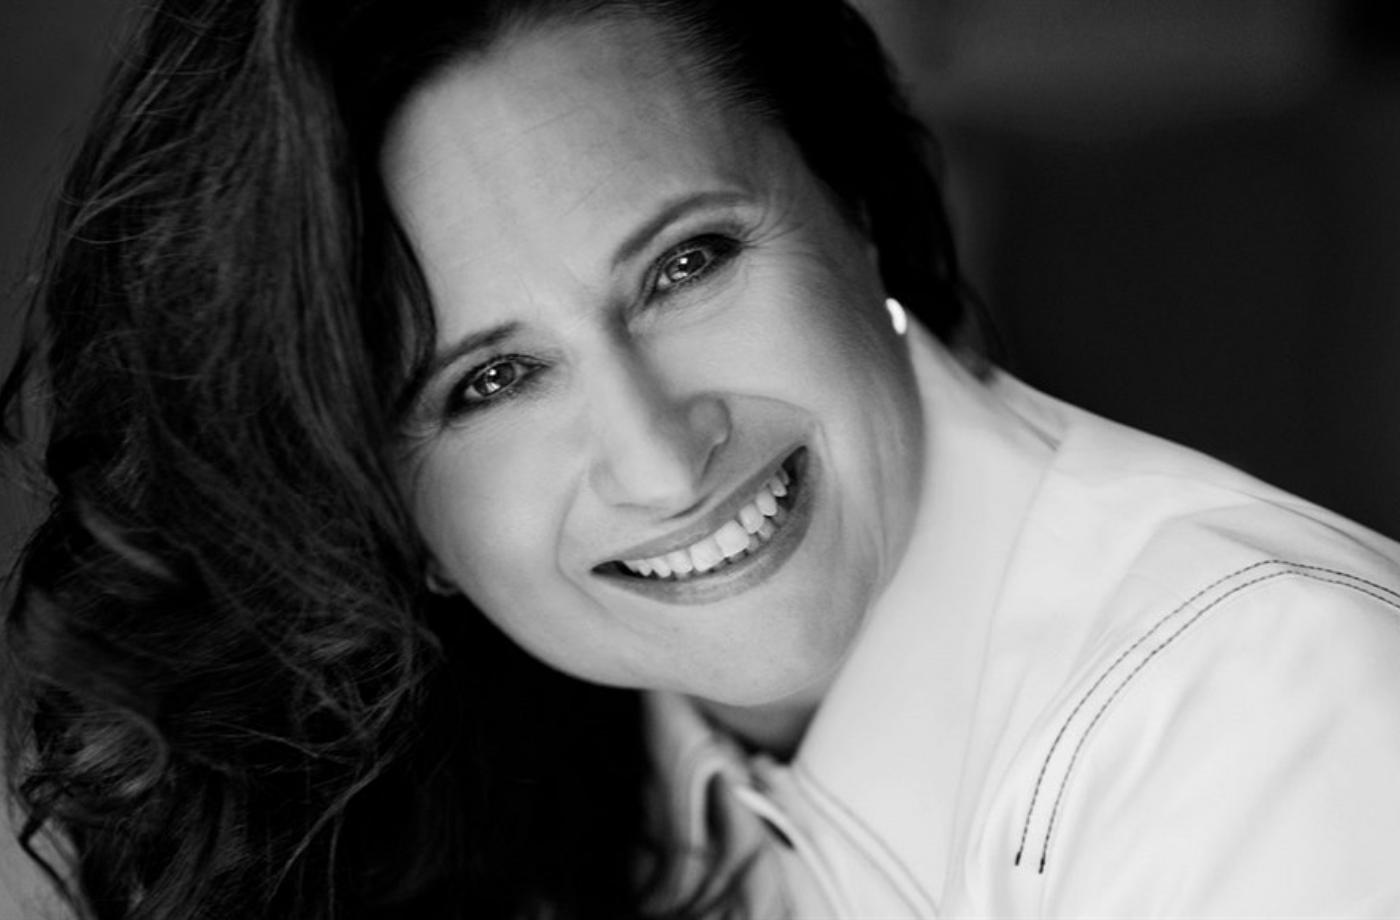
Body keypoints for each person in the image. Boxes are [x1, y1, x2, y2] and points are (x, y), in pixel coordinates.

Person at [3, 0, 1399, 917]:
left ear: (852, 207)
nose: (662, 462)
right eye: (489, 382)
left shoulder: (1271, 716)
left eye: (688, 264)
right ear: (391, 519)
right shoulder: (560, 766)